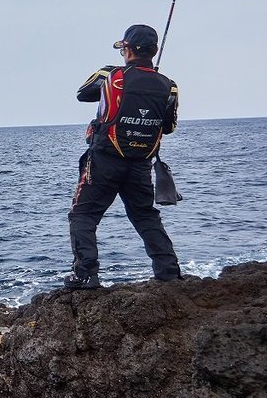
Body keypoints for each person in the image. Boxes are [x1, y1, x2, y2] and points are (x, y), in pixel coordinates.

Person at [65, 24, 181, 289]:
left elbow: (83, 94)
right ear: (154, 51)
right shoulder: (169, 87)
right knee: (145, 216)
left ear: (127, 49)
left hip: (104, 160)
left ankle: (86, 275)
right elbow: (169, 127)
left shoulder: (110, 75)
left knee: (83, 215)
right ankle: (169, 273)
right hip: (140, 164)